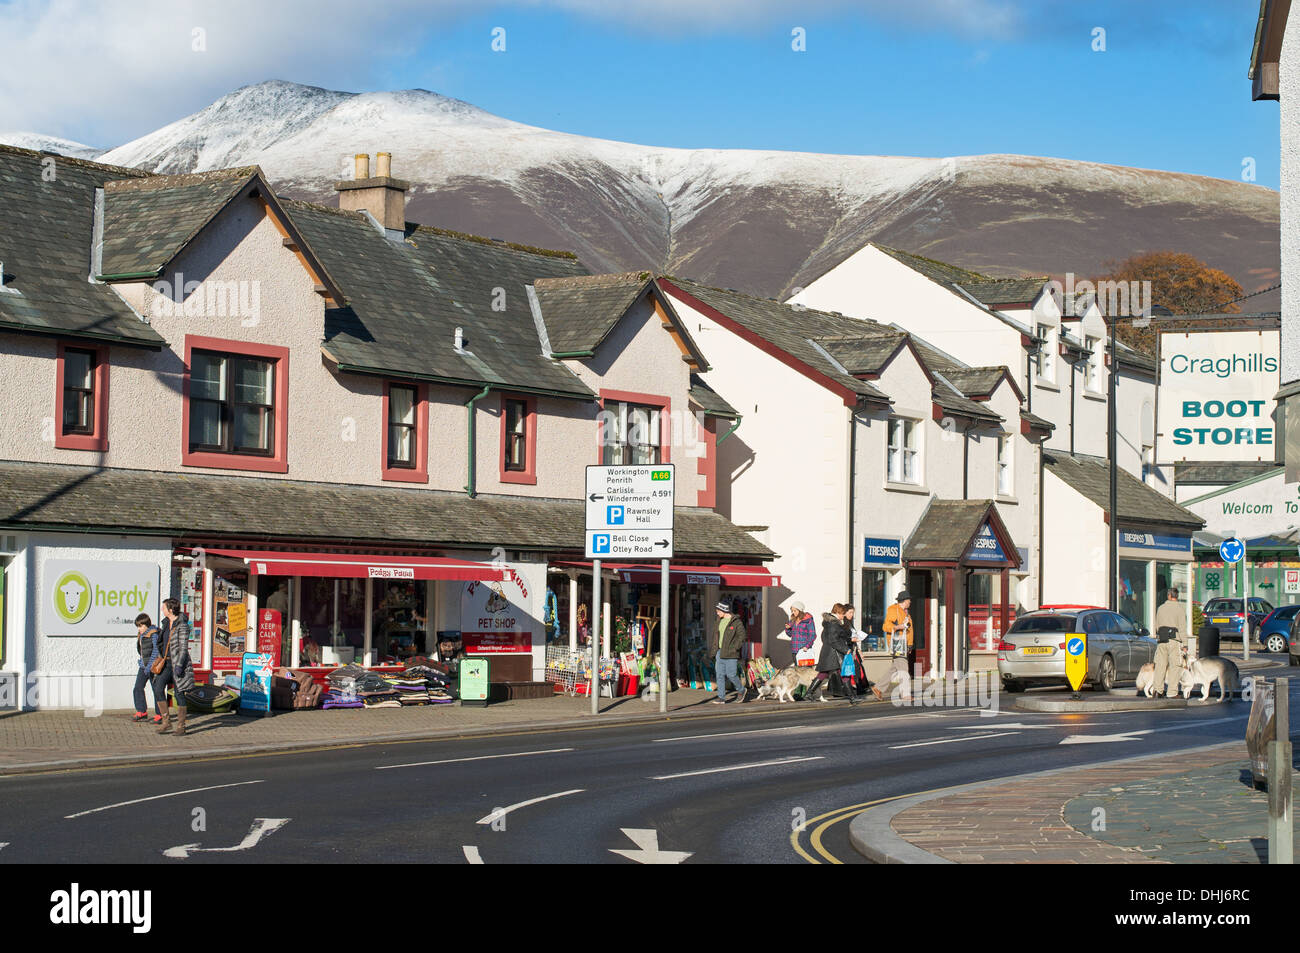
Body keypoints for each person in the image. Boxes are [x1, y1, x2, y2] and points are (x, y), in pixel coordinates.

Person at [156, 597, 196, 736]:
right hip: (166, 662)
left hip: (178, 663)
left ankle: (181, 726)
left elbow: (183, 648)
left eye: (164, 607)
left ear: (171, 610)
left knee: (179, 694)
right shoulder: (166, 623)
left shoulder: (183, 625)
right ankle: (166, 722)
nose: (162, 609)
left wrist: (179, 666)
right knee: (158, 687)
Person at [808, 604, 855, 704]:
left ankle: (809, 693)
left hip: (828, 653)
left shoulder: (829, 623)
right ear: (838, 613)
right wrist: (845, 649)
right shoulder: (834, 624)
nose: (844, 616)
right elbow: (834, 640)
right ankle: (852, 697)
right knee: (845, 674)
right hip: (835, 654)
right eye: (843, 614)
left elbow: (825, 638)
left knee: (823, 674)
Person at [873, 590, 913, 700]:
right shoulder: (893, 610)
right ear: (904, 600)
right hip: (897, 644)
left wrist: (910, 645)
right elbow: (885, 626)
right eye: (909, 600)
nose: (910, 601)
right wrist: (897, 627)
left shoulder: (906, 612)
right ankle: (905, 694)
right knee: (903, 668)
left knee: (895, 668)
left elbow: (909, 630)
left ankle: (878, 688)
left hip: (904, 644)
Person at [1152, 587, 1188, 697]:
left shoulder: (1160, 608)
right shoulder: (1180, 609)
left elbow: (1157, 625)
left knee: (1160, 665)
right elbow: (1182, 627)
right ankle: (1172, 692)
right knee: (1175, 666)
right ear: (1176, 596)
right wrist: (1185, 644)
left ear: (1168, 596)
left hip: (1161, 639)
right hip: (1174, 640)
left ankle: (1157, 690)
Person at [712, 600, 749, 704]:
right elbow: (716, 637)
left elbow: (742, 636)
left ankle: (741, 690)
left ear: (724, 610)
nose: (717, 612)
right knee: (719, 675)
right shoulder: (719, 620)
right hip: (719, 652)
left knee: (731, 675)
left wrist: (734, 648)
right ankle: (721, 697)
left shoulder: (736, 622)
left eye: (718, 610)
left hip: (731, 653)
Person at [132, 613, 161, 723]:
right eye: (138, 626)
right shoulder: (142, 635)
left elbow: (156, 651)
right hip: (143, 666)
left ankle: (160, 714)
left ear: (146, 625)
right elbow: (142, 651)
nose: (139, 629)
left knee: (157, 690)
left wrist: (149, 666)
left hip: (153, 667)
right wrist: (141, 661)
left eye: (140, 626)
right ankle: (141, 711)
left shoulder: (153, 634)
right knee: (137, 688)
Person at [782, 602, 818, 667]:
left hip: (804, 649)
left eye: (795, 610)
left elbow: (812, 635)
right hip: (795, 650)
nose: (793, 612)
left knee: (805, 671)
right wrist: (788, 629)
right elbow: (790, 634)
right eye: (792, 611)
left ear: (800, 610)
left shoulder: (808, 620)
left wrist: (807, 646)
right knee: (797, 671)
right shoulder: (793, 620)